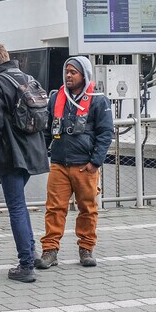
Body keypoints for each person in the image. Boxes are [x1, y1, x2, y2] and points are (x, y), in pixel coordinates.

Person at [35, 56, 113, 269]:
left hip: (84, 166)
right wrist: (42, 155)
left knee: (87, 209)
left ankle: (86, 249)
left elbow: (106, 133)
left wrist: (94, 163)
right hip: (59, 164)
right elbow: (47, 130)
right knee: (54, 208)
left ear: (84, 75)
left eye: (73, 72)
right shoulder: (55, 98)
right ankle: (50, 250)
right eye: (67, 71)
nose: (68, 75)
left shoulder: (98, 100)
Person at [0, 43, 49, 283]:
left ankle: (26, 265)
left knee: (16, 208)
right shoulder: (28, 78)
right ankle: (31, 253)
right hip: (34, 151)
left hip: (12, 153)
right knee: (19, 204)